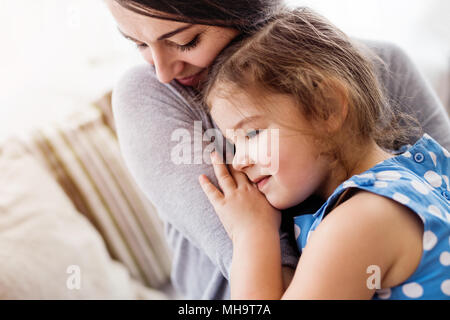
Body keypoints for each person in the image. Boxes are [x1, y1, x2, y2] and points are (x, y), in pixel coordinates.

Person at [105, 0, 450, 299]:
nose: (161, 71)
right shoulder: (417, 170)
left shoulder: (359, 221)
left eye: (186, 41)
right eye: (138, 44)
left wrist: (252, 232)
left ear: (327, 105)